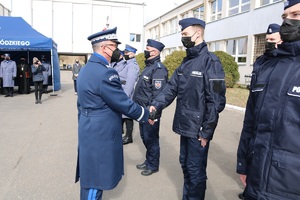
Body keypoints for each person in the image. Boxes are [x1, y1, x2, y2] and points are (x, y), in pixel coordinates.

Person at [149, 18, 226, 199]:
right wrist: (155, 105)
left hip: (198, 131)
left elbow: (216, 101)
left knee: (195, 171)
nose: (182, 38)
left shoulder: (211, 62)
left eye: (185, 34)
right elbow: (170, 89)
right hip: (185, 127)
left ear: (197, 34)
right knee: (185, 165)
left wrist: (206, 131)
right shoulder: (185, 63)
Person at [75, 27, 151, 200]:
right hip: (100, 133)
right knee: (95, 181)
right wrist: (146, 115)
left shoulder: (87, 69)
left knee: (91, 176)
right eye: (114, 46)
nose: (117, 50)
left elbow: (80, 103)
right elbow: (122, 102)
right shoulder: (105, 72)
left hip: (88, 127)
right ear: (104, 48)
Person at [236, 1, 300, 199]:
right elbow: (251, 122)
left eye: (296, 15)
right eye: (285, 16)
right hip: (258, 179)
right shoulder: (268, 67)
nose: (288, 21)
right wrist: (243, 163)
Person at [237, 23, 282, 200]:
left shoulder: (285, 65)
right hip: (256, 121)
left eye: (273, 39)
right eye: (268, 39)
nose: (269, 43)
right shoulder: (260, 63)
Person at [132, 39, 168, 176]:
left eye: (147, 48)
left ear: (154, 51)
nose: (145, 51)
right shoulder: (149, 67)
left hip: (150, 112)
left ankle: (153, 165)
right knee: (145, 137)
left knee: (151, 139)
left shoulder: (159, 69)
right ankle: (148, 161)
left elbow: (159, 95)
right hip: (142, 111)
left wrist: (154, 115)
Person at [114, 44, 140, 145]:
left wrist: (125, 96)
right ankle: (121, 133)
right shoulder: (126, 63)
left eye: (127, 53)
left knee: (128, 116)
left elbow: (130, 82)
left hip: (126, 93)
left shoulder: (132, 65)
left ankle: (129, 137)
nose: (125, 54)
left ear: (133, 54)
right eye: (124, 52)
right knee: (122, 115)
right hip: (121, 91)